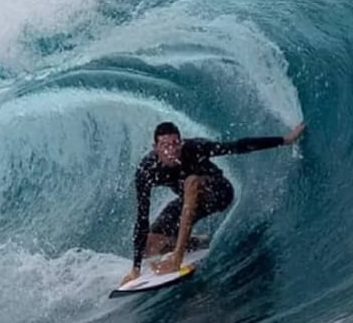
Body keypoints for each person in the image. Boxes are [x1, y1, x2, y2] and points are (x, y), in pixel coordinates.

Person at [119, 120, 305, 286]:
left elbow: (238, 146)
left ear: (181, 143)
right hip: (188, 203)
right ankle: (197, 243)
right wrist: (135, 268)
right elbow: (142, 218)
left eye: (175, 143)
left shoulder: (195, 149)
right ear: (155, 147)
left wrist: (285, 140)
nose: (171, 149)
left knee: (191, 182)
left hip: (217, 193)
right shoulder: (147, 170)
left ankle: (178, 255)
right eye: (165, 145)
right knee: (149, 246)